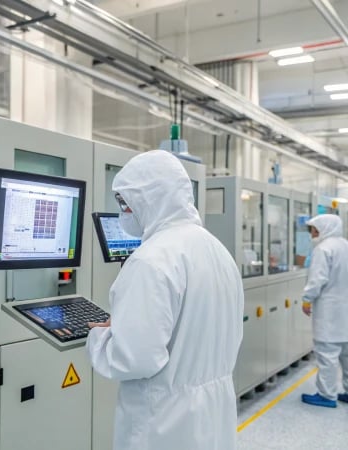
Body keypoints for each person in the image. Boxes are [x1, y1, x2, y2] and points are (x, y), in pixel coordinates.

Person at [86, 150, 244, 450]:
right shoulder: (217, 250)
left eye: (125, 203)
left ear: (149, 198)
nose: (124, 211)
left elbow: (133, 359)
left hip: (165, 423)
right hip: (213, 414)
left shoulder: (150, 259)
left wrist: (98, 336)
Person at [300, 214, 348, 408]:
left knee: (327, 353)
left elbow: (317, 279)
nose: (312, 234)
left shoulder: (324, 249)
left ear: (324, 228)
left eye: (314, 229)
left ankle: (327, 395)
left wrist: (307, 299)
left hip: (330, 309)